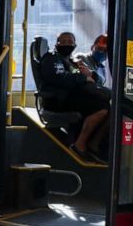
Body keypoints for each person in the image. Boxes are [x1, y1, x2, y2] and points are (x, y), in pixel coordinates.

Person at [38, 32, 110, 162]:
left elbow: (91, 76)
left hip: (72, 96)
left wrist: (90, 75)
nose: (66, 44)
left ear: (74, 45)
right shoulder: (52, 58)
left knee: (109, 107)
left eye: (69, 42)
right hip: (59, 99)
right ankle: (80, 145)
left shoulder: (73, 61)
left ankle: (94, 144)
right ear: (57, 43)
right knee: (102, 109)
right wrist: (84, 78)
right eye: (63, 41)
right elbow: (60, 78)